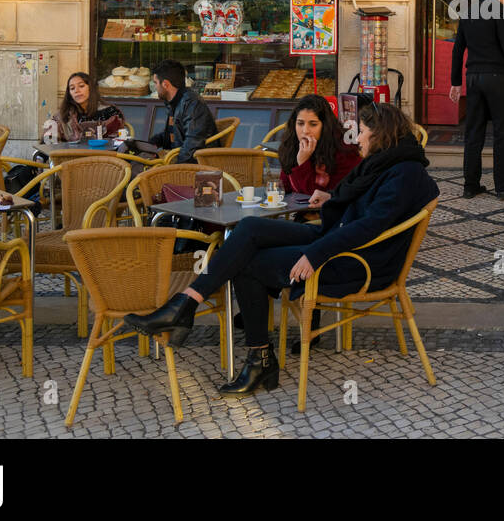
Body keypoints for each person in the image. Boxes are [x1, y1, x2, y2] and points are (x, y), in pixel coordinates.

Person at [125, 103, 439, 396]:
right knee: (249, 228)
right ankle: (187, 303)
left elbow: (368, 227)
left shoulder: (404, 172)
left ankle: (255, 356)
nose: (356, 139)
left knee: (247, 264)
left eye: (362, 131)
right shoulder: (387, 163)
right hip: (336, 238)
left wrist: (314, 255)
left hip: (358, 262)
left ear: (381, 132)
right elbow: (366, 211)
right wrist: (333, 201)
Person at [449, 0, 504, 199]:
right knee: (502, 133)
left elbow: (457, 50)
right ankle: (503, 187)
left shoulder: (469, 11)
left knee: (473, 134)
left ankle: (470, 185)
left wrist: (456, 82)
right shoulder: (500, 10)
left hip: (473, 78)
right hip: (497, 78)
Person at [276, 94, 361, 201]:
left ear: (325, 126)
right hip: (299, 214)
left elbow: (318, 199)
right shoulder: (292, 146)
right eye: (300, 123)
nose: (305, 130)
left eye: (313, 124)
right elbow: (284, 189)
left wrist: (303, 163)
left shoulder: (344, 151)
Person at [148, 59, 218, 163]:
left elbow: (192, 144)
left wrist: (174, 169)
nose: (155, 87)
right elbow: (174, 134)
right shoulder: (174, 101)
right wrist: (149, 146)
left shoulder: (192, 104)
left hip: (201, 167)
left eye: (155, 83)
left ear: (165, 84)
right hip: (185, 159)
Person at [54, 72, 125, 142]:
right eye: (72, 88)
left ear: (91, 88)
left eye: (81, 86)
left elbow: (116, 141)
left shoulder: (110, 112)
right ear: (69, 94)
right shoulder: (64, 114)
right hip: (70, 153)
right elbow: (50, 142)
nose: (76, 91)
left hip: (102, 152)